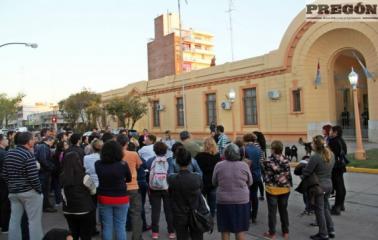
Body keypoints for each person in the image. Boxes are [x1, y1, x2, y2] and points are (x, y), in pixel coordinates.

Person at [2, 132, 43, 240]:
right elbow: (33, 177)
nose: (34, 141)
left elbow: (4, 174)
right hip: (29, 192)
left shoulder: (9, 153)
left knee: (14, 220)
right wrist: (39, 190)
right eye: (33, 139)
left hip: (13, 192)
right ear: (28, 141)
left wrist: (12, 185)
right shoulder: (28, 155)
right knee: (34, 222)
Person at [212, 143, 252, 240]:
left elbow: (214, 182)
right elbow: (250, 182)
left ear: (225, 153)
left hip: (223, 201)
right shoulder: (244, 165)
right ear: (238, 153)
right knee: (240, 230)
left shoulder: (219, 165)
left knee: (225, 230)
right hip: (241, 201)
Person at [96, 140, 132, 240]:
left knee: (107, 226)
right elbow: (129, 179)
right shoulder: (123, 164)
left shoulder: (98, 164)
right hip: (121, 197)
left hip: (104, 197)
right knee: (120, 226)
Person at [302, 136, 335, 240]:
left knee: (319, 210)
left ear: (316, 144)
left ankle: (323, 234)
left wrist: (302, 168)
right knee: (325, 207)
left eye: (312, 143)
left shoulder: (316, 156)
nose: (311, 144)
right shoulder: (331, 154)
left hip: (318, 186)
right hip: (329, 184)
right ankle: (331, 230)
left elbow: (307, 172)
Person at [168, 147, 204, 240]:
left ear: (177, 162)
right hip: (195, 211)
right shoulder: (197, 177)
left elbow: (170, 192)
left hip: (179, 211)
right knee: (197, 236)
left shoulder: (172, 179)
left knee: (181, 236)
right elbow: (200, 189)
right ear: (190, 161)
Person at [60, 152, 96, 240]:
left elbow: (62, 192)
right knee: (86, 235)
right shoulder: (84, 176)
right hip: (85, 209)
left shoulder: (62, 177)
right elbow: (93, 191)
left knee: (73, 234)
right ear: (79, 161)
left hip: (68, 210)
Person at [262, 140, 292, 240]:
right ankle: (285, 232)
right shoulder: (286, 159)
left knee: (272, 212)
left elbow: (266, 174)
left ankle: (272, 233)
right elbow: (288, 174)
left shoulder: (267, 160)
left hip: (272, 189)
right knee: (284, 210)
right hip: (284, 188)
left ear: (273, 149)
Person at [116, 134, 144, 240]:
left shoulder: (114, 155)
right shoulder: (133, 154)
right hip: (133, 186)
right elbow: (139, 165)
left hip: (119, 188)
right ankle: (136, 237)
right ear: (127, 143)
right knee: (136, 214)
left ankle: (119, 236)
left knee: (118, 216)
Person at [148, 142, 175, 239]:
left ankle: (155, 232)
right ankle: (171, 231)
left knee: (155, 210)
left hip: (154, 188)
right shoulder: (169, 161)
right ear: (165, 150)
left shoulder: (151, 160)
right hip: (166, 188)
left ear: (154, 150)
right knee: (169, 210)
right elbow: (171, 174)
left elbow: (147, 169)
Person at [195, 137, 220, 217]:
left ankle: (203, 216)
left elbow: (196, 169)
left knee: (202, 201)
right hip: (213, 181)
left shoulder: (199, 156)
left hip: (202, 181)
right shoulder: (217, 156)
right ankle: (211, 216)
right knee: (212, 201)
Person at [83, 139, 103, 236]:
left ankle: (92, 228)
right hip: (102, 184)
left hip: (91, 185)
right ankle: (104, 228)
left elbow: (85, 170)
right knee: (103, 208)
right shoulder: (104, 158)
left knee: (92, 208)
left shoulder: (86, 158)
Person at [243, 133, 263, 223]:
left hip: (246, 176)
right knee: (254, 195)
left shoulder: (244, 149)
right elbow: (261, 162)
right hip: (256, 175)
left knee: (247, 195)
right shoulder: (259, 149)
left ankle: (247, 215)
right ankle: (254, 216)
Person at [328, 126, 347, 215]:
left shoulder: (333, 141)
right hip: (341, 166)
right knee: (341, 186)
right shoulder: (341, 140)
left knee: (338, 186)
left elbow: (330, 154)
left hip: (335, 167)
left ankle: (337, 207)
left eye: (331, 131)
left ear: (335, 132)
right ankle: (341, 204)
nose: (330, 132)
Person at [34, 135, 57, 212]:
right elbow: (43, 160)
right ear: (49, 140)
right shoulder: (44, 147)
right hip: (44, 172)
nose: (52, 144)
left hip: (43, 172)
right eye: (52, 142)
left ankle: (46, 205)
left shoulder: (41, 146)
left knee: (45, 190)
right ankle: (46, 206)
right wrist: (51, 167)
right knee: (45, 190)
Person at [0, 134, 10, 234]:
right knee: (5, 204)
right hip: (3, 182)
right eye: (5, 139)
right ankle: (5, 226)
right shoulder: (4, 153)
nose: (7, 140)